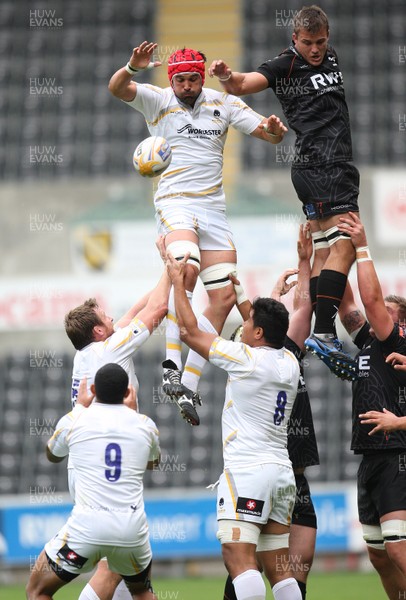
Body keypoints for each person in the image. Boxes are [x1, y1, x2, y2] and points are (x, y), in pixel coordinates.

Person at [108, 41, 288, 426]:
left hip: (214, 210)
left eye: (192, 78)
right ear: (171, 79)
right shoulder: (157, 100)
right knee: (184, 265)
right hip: (175, 202)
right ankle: (171, 364)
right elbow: (117, 88)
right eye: (180, 80)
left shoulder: (223, 104)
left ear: (201, 76)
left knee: (223, 297)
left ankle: (187, 384)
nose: (186, 85)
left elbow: (268, 134)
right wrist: (132, 66)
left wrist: (274, 131)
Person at [208, 4, 359, 380]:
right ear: (295, 38)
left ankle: (321, 329)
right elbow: (242, 85)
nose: (315, 49)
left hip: (320, 168)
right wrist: (228, 76)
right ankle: (324, 331)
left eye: (320, 42)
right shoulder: (285, 64)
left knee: (325, 251)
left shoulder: (331, 56)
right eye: (307, 42)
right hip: (324, 165)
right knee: (347, 245)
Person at [166, 253, 302, 600]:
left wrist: (178, 284)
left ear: (257, 332)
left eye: (248, 323)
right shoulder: (289, 361)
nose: (242, 327)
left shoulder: (245, 360)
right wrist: (247, 297)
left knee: (238, 559)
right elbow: (263, 329)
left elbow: (188, 331)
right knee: (279, 566)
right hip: (281, 475)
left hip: (247, 472)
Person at [63, 249, 169, 600]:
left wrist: (165, 271)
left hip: (85, 461)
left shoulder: (91, 351)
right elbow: (156, 311)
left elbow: (136, 311)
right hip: (102, 462)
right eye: (107, 317)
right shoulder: (111, 350)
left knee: (124, 560)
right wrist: (174, 269)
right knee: (118, 555)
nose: (114, 319)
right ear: (98, 330)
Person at [224, 224, 319, 600]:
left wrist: (301, 263)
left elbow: (294, 312)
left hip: (291, 477)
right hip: (265, 470)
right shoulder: (251, 362)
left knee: (294, 571)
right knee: (246, 566)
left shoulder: (286, 356)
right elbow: (276, 319)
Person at [26, 363, 160, 600]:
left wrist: (79, 407)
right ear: (128, 391)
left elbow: (52, 454)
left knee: (38, 590)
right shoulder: (146, 425)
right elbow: (153, 462)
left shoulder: (75, 420)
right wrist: (134, 412)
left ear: (94, 389)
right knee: (140, 592)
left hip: (87, 529)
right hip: (130, 529)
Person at [336, 212, 406, 599]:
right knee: (379, 555)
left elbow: (371, 299)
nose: (377, 315)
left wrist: (400, 423)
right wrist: (332, 249)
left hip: (398, 454)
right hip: (370, 457)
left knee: (398, 548)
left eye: (389, 313)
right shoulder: (370, 342)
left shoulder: (399, 340)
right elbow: (347, 302)